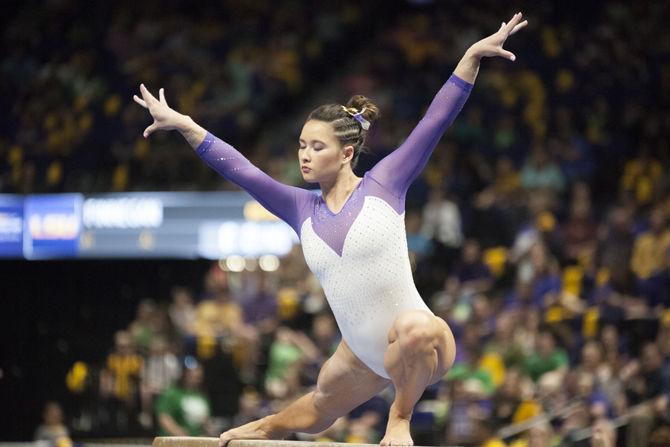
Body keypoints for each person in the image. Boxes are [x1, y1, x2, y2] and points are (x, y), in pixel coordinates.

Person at [134, 12, 528, 446]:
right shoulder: (299, 207)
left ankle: (400, 418)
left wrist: (470, 57)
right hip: (363, 355)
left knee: (417, 329)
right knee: (320, 403)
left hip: (425, 349)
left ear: (345, 153)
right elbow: (242, 170)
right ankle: (263, 427)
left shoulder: (385, 183)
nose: (304, 155)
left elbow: (434, 122)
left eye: (316, 147)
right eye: (302, 145)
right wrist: (186, 125)